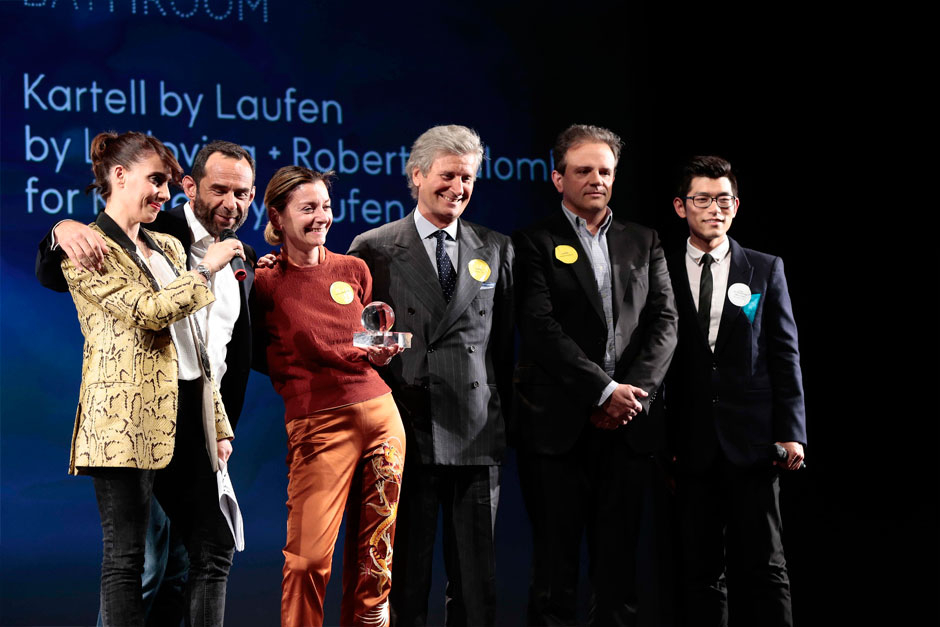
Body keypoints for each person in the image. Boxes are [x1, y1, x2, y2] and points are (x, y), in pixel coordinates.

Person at [36, 139, 259, 625]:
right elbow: (150, 313)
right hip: (124, 424)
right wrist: (204, 270)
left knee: (214, 547)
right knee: (128, 561)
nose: (163, 193)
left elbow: (194, 340)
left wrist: (217, 423)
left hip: (185, 414)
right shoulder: (87, 247)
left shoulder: (170, 245)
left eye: (164, 182)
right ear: (119, 176)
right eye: (155, 181)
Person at [347, 124, 514, 627]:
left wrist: (500, 420)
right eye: (447, 175)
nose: (458, 188)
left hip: (476, 433)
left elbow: (503, 348)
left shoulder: (496, 248)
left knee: (476, 584)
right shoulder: (372, 247)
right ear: (417, 175)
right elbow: (360, 343)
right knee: (405, 578)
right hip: (404, 435)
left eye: (467, 178)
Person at [512, 124, 678, 625]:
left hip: (629, 425)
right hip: (557, 428)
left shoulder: (644, 240)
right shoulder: (533, 242)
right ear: (558, 177)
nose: (597, 179)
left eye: (605, 171)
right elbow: (539, 328)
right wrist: (602, 389)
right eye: (583, 170)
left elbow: (665, 324)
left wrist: (633, 394)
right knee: (554, 572)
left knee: (619, 571)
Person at [253, 166, 405, 627]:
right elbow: (254, 353)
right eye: (308, 209)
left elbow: (361, 338)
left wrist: (380, 354)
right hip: (318, 423)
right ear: (277, 217)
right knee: (306, 560)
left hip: (381, 415)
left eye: (326, 207)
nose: (321, 217)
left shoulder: (353, 269)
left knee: (375, 558)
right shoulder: (263, 281)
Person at [665, 155, 806, 627]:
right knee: (701, 572)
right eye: (703, 199)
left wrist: (793, 432)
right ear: (681, 207)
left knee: (768, 567)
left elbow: (784, 355)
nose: (715, 209)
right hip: (688, 444)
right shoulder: (658, 267)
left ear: (737, 205)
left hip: (754, 441)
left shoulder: (765, 269)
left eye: (724, 199)